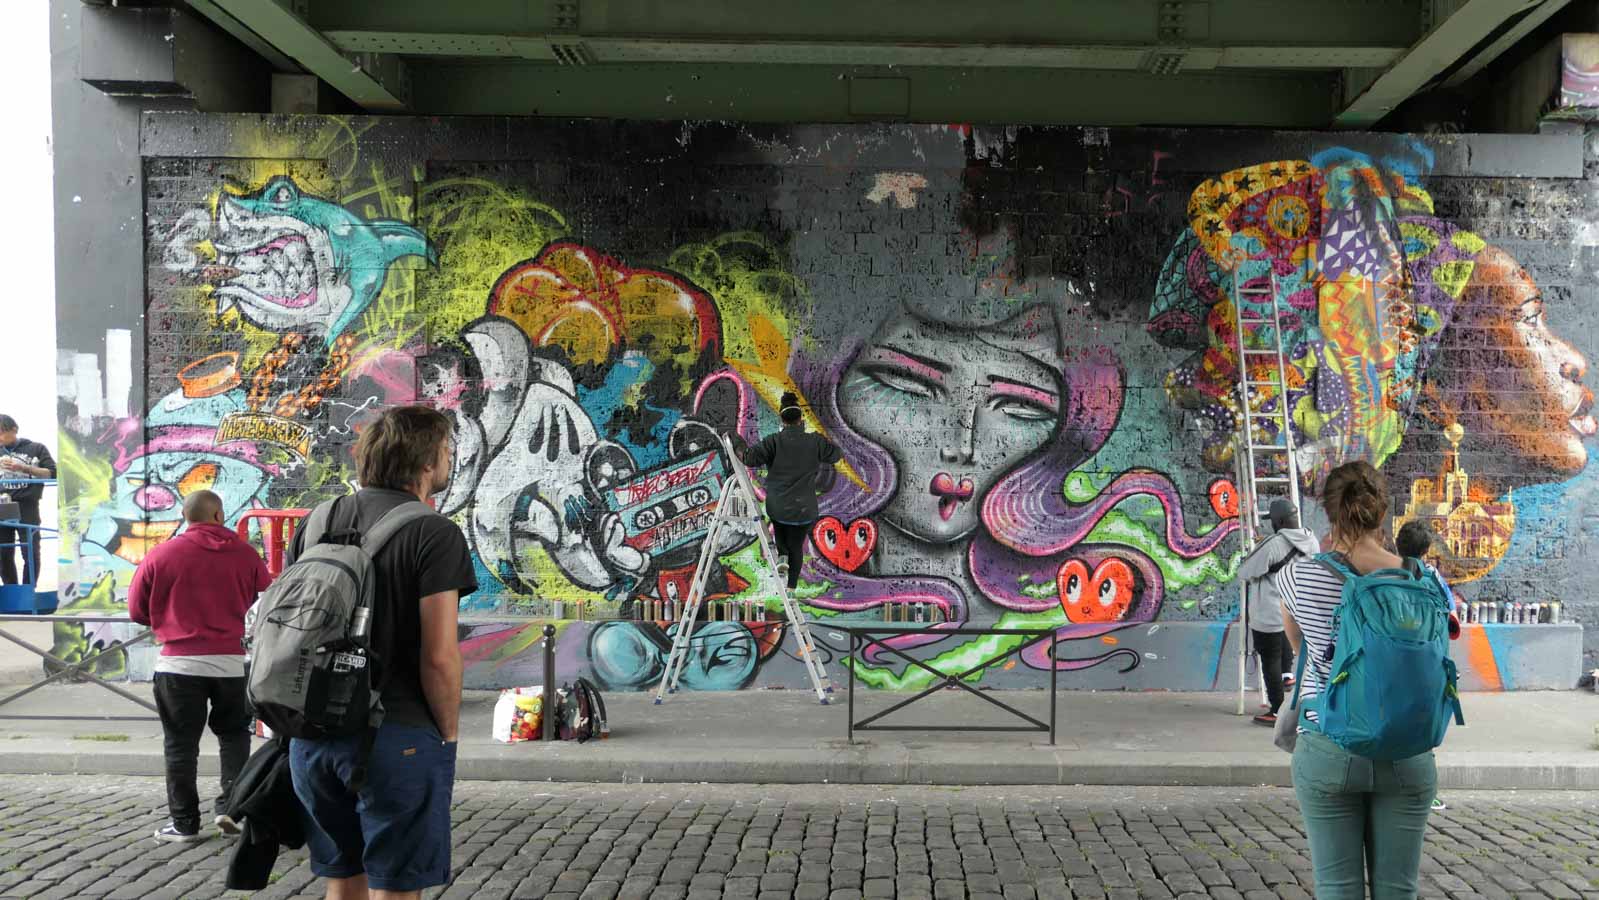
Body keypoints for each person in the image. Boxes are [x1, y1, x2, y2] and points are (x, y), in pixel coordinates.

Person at [286, 405, 477, 900]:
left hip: (312, 736)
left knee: (343, 880)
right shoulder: (433, 533)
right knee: (395, 888)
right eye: (446, 450)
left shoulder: (317, 521)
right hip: (397, 734)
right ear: (426, 461)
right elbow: (439, 656)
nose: (449, 459)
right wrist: (448, 735)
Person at [1275, 461, 1437, 899]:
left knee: (1336, 887)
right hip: (1408, 749)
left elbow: (1300, 650)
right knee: (1399, 890)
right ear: (1382, 512)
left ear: (1328, 512)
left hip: (1329, 743)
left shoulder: (1297, 576)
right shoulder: (1423, 578)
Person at [128, 489, 271, 843]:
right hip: (232, 664)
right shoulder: (246, 554)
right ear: (219, 515)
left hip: (178, 665)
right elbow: (266, 601)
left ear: (185, 516)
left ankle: (184, 824)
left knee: (180, 745)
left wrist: (168, 618)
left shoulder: (162, 554)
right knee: (234, 736)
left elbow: (137, 610)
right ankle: (232, 810)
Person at [741, 392, 842, 590]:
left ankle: (782, 555)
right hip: (804, 508)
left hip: (778, 505)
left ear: (782, 420)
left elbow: (749, 458)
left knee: (780, 528)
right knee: (797, 545)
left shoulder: (773, 441)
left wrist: (736, 444)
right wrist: (823, 440)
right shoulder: (815, 441)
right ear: (800, 418)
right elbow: (835, 455)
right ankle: (791, 587)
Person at [1235, 498, 1319, 726]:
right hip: (1297, 611)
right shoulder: (1311, 540)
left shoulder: (1273, 544)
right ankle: (1287, 677)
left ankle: (1276, 711)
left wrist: (1257, 553)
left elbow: (1245, 571)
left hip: (1270, 612)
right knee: (1286, 647)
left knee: (1270, 658)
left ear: (1279, 522)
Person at [0, 415, 56, 585]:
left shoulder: (36, 448)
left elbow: (52, 473)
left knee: (30, 550)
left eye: (1, 432)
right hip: (2, 505)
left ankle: (28, 589)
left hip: (27, 505)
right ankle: (11, 590)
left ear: (14, 430)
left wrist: (24, 468)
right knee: (3, 553)